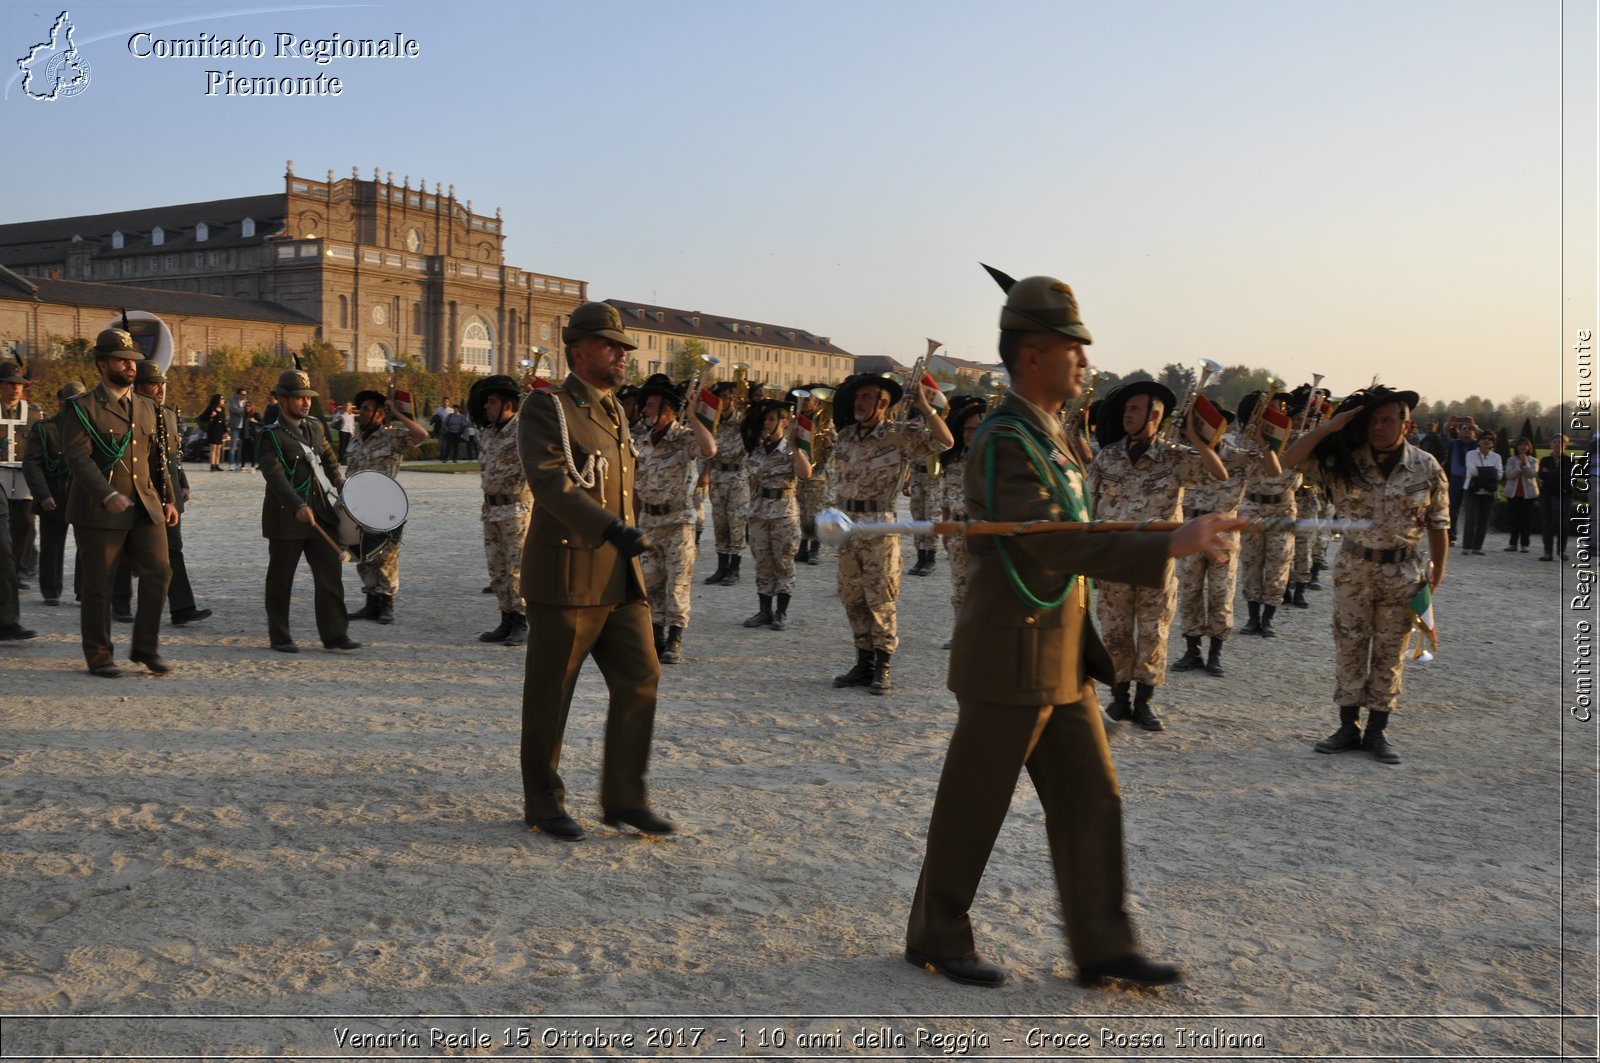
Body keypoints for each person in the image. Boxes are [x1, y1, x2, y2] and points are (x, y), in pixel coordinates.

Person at [905, 270, 1241, 990]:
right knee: (976, 800)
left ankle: (1102, 944)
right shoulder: (1003, 438)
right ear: (1031, 354)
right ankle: (936, 931)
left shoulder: (1051, 434)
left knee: (1093, 795)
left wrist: (1165, 532)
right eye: (1072, 348)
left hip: (1058, 650)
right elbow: (1051, 541)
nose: (1085, 362)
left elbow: (1077, 530)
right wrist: (1168, 544)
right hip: (1010, 650)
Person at [517, 301, 670, 842]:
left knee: (641, 677)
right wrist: (611, 528)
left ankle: (625, 798)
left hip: (619, 577)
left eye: (624, 348)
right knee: (551, 694)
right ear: (579, 351)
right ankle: (543, 802)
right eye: (612, 347)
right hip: (567, 574)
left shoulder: (614, 410)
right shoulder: (548, 408)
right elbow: (553, 485)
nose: (622, 356)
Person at [1282, 386, 1448, 765]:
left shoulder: (1426, 466)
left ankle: (1377, 731)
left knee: (1390, 653)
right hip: (1355, 568)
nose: (1379, 426)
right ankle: (1347, 727)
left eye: (1388, 419)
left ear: (1407, 424)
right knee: (1350, 646)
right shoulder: (1345, 462)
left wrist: (1436, 578)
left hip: (1404, 571)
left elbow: (1439, 526)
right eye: (1373, 419)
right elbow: (1290, 459)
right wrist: (1329, 427)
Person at [1087, 380, 1227, 731]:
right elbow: (1089, 506)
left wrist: (1195, 438)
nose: (1127, 415)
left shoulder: (1175, 457)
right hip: (1115, 558)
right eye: (1126, 409)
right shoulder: (1107, 456)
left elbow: (1218, 474)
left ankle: (1145, 702)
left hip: (1157, 558)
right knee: (1115, 630)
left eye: (1135, 409)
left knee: (1153, 631)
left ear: (1156, 415)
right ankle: (1119, 699)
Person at [60, 328, 178, 677]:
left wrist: (168, 498)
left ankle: (145, 648)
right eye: (122, 360)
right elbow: (78, 458)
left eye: (133, 361)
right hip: (99, 510)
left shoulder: (147, 406)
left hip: (145, 505)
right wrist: (106, 493)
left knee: (159, 572)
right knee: (99, 584)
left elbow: (157, 459)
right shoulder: (81, 408)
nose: (130, 366)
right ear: (102, 364)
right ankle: (99, 655)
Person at [828, 371, 953, 694]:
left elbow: (944, 441)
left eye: (866, 397)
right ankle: (863, 661)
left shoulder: (900, 435)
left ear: (883, 403)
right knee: (852, 596)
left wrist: (926, 408)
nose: (859, 402)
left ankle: (883, 664)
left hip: (879, 525)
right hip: (846, 524)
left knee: (880, 597)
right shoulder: (844, 437)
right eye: (857, 397)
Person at [257, 369, 360, 654]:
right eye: (299, 398)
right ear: (283, 400)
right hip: (286, 516)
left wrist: (337, 478)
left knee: (330, 575)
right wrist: (297, 505)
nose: (305, 403)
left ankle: (335, 634)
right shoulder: (270, 436)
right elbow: (274, 475)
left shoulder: (315, 427)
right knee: (280, 579)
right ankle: (280, 636)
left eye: (308, 397)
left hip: (321, 512)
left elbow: (327, 456)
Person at [1172, 402, 1276, 677]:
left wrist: (1262, 441)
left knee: (1221, 593)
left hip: (1224, 530)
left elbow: (1275, 470)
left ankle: (1216, 653)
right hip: (1191, 528)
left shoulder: (1239, 457)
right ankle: (1192, 650)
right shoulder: (1185, 456)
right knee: (1190, 592)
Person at [111, 361, 212, 627]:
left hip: (167, 495)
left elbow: (172, 457)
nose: (160, 389)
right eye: (154, 384)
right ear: (138, 386)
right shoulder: (126, 413)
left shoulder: (167, 415)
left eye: (162, 384)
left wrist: (182, 483)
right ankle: (120, 605)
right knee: (124, 548)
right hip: (137, 492)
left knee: (173, 550)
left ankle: (182, 607)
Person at [633, 375, 716, 660]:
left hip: (678, 521)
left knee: (677, 582)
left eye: (652, 404)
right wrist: (633, 522)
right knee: (650, 581)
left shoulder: (683, 437)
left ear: (668, 408)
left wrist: (692, 416)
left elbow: (709, 449)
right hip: (648, 521)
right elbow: (634, 482)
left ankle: (674, 640)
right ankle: (655, 637)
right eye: (645, 404)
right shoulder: (639, 439)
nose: (645, 409)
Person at [344, 389, 426, 625]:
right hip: (360, 507)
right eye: (361, 410)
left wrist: (398, 415)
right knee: (364, 556)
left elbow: (421, 434)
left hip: (385, 506)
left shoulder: (392, 437)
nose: (361, 414)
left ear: (380, 415)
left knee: (386, 557)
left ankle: (386, 605)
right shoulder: (356, 441)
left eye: (367, 410)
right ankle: (371, 603)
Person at [737, 395, 811, 631]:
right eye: (765, 420)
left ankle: (781, 612)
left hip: (783, 513)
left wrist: (797, 448)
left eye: (771, 419)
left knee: (783, 562)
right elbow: (752, 481)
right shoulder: (757, 450)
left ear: (785, 422)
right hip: (759, 512)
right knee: (762, 562)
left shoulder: (792, 450)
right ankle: (764, 610)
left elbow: (805, 474)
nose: (767, 424)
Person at [471, 375, 532, 645]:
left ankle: (521, 620)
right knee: (496, 569)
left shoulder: (524, 431)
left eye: (492, 401)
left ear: (508, 404)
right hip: (491, 510)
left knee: (517, 569)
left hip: (516, 510)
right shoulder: (489, 433)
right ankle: (505, 617)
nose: (487, 406)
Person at [1234, 390, 1300, 640]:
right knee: (1252, 562)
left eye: (1281, 407)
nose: (1278, 412)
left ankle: (1268, 618)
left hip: (1282, 507)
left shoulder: (1294, 438)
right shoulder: (1244, 440)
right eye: (1272, 408)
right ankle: (1252, 617)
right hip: (1253, 505)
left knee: (1278, 563)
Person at [22, 381, 85, 607]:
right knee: (52, 545)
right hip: (54, 494)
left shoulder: (92, 428)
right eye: (72, 403)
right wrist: (42, 494)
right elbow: (31, 464)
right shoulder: (45, 428)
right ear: (61, 403)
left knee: (86, 545)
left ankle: (83, 591)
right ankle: (51, 590)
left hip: (82, 493)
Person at [937, 400, 987, 647]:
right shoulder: (955, 460)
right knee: (959, 587)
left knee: (985, 587)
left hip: (983, 531)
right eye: (966, 429)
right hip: (957, 530)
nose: (969, 434)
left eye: (975, 429)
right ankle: (962, 633)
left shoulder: (995, 462)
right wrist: (945, 525)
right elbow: (947, 494)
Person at [1, 360, 43, 590]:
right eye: (9, 384)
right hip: (0, 477)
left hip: (25, 476)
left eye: (18, 384)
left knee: (26, 523)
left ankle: (18, 569)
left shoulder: (34, 413)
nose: (15, 388)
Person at [704, 380, 748, 586]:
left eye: (727, 397)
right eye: (720, 397)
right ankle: (721, 567)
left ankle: (735, 569)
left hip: (737, 476)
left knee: (736, 523)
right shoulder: (713, 422)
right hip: (718, 475)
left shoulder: (743, 421)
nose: (724, 401)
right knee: (720, 522)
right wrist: (706, 474)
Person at [791, 384, 835, 565]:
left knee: (815, 513)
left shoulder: (825, 422)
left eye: (808, 400)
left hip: (818, 475)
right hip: (799, 474)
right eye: (803, 400)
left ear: (816, 403)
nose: (805, 403)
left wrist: (829, 444)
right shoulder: (796, 421)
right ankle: (802, 548)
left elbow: (836, 447)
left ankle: (815, 549)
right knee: (800, 513)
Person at [1460, 429, 1502, 555]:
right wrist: (1490, 473)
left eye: (1490, 439)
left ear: (1493, 443)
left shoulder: (1496, 457)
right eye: (1484, 438)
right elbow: (1472, 471)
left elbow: (1499, 475)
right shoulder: (1470, 454)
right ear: (1479, 441)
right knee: (1470, 519)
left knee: (1483, 520)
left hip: (1487, 492)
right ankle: (1466, 546)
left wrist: (1484, 474)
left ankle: (1477, 547)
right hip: (1472, 490)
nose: (1486, 441)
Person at [1538, 434, 1573, 561]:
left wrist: (1551, 475)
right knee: (1547, 523)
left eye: (1560, 442)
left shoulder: (1569, 461)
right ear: (1550, 444)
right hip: (1547, 495)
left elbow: (1567, 477)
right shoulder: (1545, 460)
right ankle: (1548, 552)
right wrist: (1557, 475)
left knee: (1562, 524)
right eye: (1555, 442)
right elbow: (1542, 475)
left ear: (1565, 446)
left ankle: (1561, 550)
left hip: (1563, 495)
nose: (1557, 445)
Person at [1501, 436, 1538, 552]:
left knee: (1526, 520)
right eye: (1520, 445)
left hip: (1528, 494)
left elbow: (1532, 474)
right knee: (1514, 519)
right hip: (1514, 493)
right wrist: (1519, 467)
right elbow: (1509, 475)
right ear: (1517, 447)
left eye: (1525, 445)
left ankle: (1525, 544)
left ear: (1528, 447)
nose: (1523, 447)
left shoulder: (1534, 460)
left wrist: (1525, 464)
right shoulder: (1511, 460)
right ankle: (1512, 544)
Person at [198, 394, 227, 471]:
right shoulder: (211, 408)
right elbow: (202, 417)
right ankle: (212, 464)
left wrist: (226, 431)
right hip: (213, 430)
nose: (223, 400)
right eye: (222, 399)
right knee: (213, 448)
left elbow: (223, 421)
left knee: (218, 448)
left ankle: (217, 464)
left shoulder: (223, 409)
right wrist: (211, 416)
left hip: (220, 430)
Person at [226, 388, 249, 469]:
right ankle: (231, 463)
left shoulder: (246, 402)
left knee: (241, 446)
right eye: (242, 394)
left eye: (245, 395)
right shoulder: (233, 400)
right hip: (235, 426)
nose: (244, 396)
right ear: (238, 394)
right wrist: (243, 411)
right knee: (233, 445)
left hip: (243, 427)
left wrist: (241, 411)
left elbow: (249, 411)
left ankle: (239, 463)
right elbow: (233, 409)